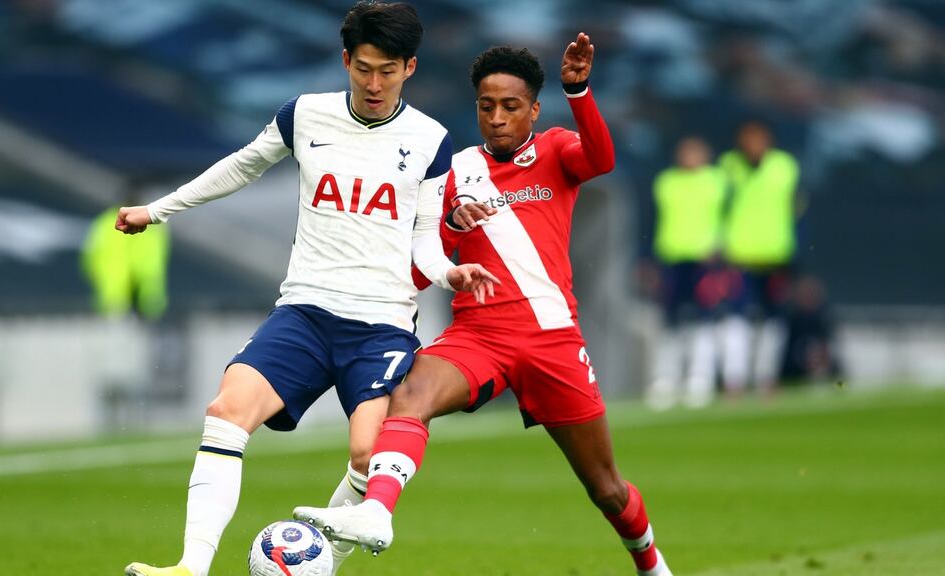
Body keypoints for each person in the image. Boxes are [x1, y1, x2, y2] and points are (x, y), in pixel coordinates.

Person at [117, 3, 498, 576]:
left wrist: (449, 274)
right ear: (346, 60)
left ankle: (321, 566)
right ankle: (190, 567)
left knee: (369, 455)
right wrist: (157, 210)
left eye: (387, 71)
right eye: (363, 68)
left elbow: (424, 242)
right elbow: (242, 166)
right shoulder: (305, 115)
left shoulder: (430, 140)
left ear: (410, 68)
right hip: (305, 311)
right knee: (226, 411)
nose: (374, 84)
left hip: (380, 324)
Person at [295, 34, 672, 575]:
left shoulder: (556, 149)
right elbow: (421, 269)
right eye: (486, 106)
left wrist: (580, 92)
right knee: (410, 396)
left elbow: (602, 159)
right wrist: (450, 227)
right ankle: (377, 512)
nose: (496, 118)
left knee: (606, 488)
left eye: (510, 106)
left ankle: (652, 565)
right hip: (479, 337)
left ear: (534, 110)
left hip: (552, 339)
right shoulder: (452, 171)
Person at [718, 121, 800, 398]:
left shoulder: (784, 166)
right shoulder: (728, 167)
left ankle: (766, 377)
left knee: (774, 320)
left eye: (759, 139)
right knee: (736, 317)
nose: (754, 145)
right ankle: (735, 379)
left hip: (775, 255)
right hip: (739, 256)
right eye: (748, 139)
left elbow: (795, 207)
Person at [645, 137, 726, 410]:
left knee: (704, 321)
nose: (690, 157)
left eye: (695, 152)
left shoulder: (717, 181)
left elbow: (730, 217)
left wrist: (720, 247)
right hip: (672, 259)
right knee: (669, 322)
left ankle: (700, 378)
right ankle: (665, 379)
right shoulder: (666, 182)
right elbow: (654, 219)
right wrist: (650, 259)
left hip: (705, 262)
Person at [82, 194, 170, 321]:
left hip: (143, 294)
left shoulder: (105, 222)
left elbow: (90, 258)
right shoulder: (154, 223)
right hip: (121, 295)